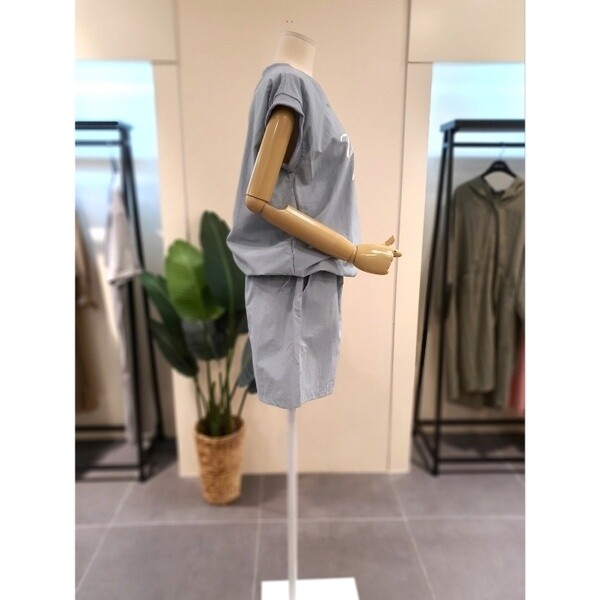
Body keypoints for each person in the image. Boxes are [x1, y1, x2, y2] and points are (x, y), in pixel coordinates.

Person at [227, 31, 401, 409]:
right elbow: (259, 198)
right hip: (294, 281)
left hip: (307, 273)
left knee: (303, 388)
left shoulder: (296, 86)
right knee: (294, 387)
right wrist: (352, 251)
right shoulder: (290, 84)